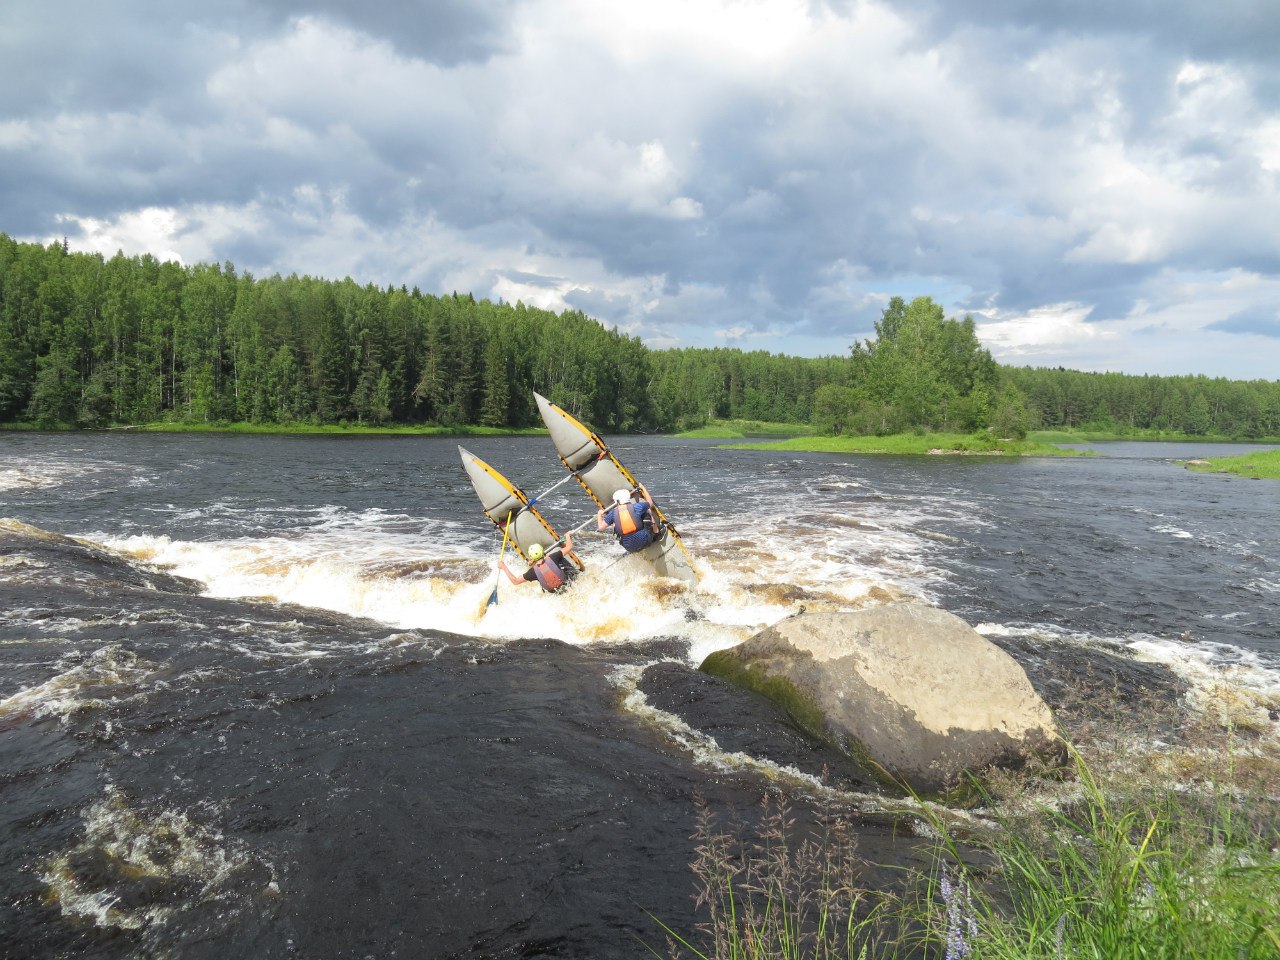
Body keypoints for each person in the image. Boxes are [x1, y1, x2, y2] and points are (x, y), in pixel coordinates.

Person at [499, 532, 579, 593]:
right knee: (560, 560)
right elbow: (569, 546)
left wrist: (503, 567)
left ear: (531, 557)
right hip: (570, 584)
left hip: (556, 593)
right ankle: (577, 573)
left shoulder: (532, 572)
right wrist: (567, 535)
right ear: (542, 551)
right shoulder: (553, 557)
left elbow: (515, 581)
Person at [597, 483, 661, 552]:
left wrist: (599, 514)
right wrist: (643, 488)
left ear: (617, 501)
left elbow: (601, 528)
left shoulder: (613, 513)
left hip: (629, 547)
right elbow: (650, 503)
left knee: (615, 523)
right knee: (647, 511)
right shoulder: (637, 507)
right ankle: (656, 533)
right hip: (645, 541)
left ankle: (634, 546)